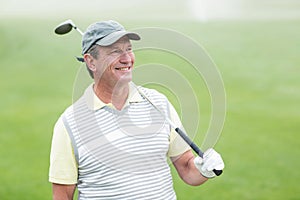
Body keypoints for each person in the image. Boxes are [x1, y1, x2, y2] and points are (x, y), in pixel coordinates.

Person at [49, 20, 224, 200]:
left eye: (128, 49)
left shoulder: (158, 104)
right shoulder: (70, 123)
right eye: (115, 51)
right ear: (91, 62)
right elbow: (62, 195)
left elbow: (187, 168)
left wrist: (203, 169)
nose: (126, 58)